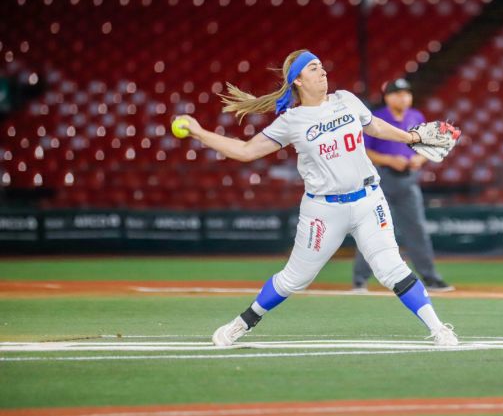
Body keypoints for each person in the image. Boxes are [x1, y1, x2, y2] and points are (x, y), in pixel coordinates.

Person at [173, 49, 459, 346]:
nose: (322, 71)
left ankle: (438, 328)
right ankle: (243, 322)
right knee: (294, 279)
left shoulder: (346, 99)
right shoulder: (292, 120)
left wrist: (411, 138)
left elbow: (372, 124)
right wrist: (199, 133)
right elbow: (246, 151)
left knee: (392, 268)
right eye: (313, 68)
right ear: (297, 80)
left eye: (321, 66)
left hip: (368, 200)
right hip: (324, 209)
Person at [352, 78, 454, 292]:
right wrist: (389, 160)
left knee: (417, 229)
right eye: (397, 93)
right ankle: (360, 280)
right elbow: (362, 150)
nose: (403, 97)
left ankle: (430, 278)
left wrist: (421, 159)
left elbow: (427, 146)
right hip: (380, 180)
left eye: (407, 93)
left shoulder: (416, 116)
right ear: (388, 97)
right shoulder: (375, 118)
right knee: (374, 230)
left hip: (408, 180)